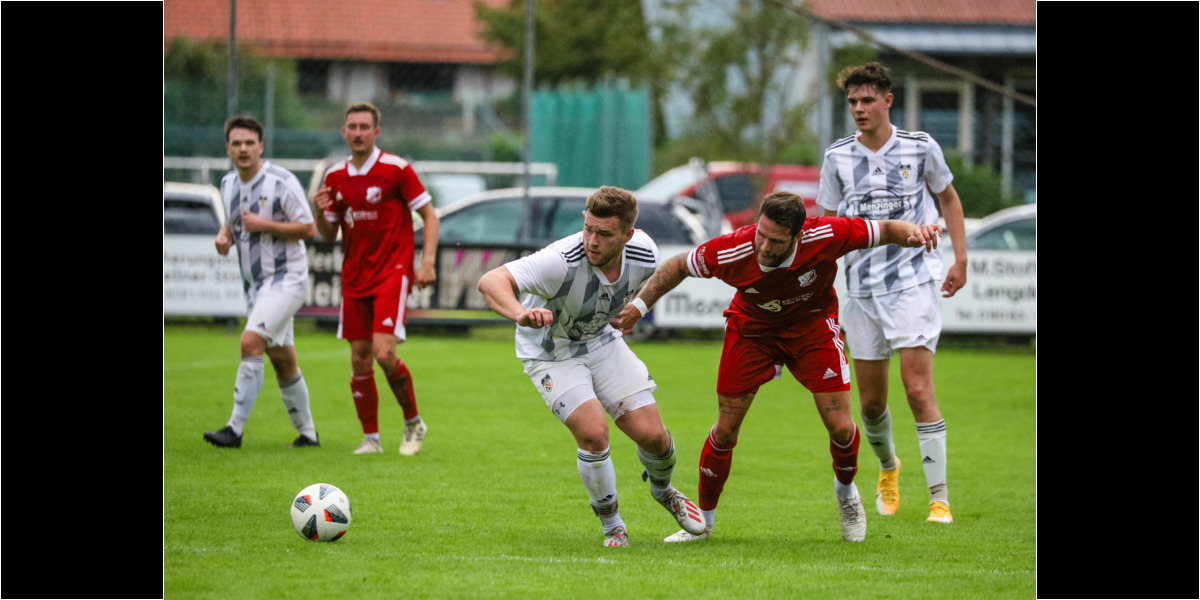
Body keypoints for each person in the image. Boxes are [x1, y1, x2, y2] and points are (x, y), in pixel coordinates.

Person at [611, 191, 942, 543]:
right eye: (761, 234)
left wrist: (914, 232)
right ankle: (702, 525)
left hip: (812, 329)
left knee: (842, 429)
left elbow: (887, 229)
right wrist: (640, 306)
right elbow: (679, 265)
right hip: (752, 332)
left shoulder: (827, 235)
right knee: (725, 431)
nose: (764, 247)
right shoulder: (734, 249)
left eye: (776, 241)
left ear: (799, 236)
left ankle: (846, 493)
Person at [477, 186, 708, 548]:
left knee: (654, 438)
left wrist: (640, 307)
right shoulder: (561, 261)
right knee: (593, 433)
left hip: (602, 342)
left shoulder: (644, 252)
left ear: (628, 235)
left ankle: (663, 490)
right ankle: (613, 526)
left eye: (604, 234)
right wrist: (520, 313)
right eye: (588, 229)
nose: (592, 241)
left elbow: (667, 272)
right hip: (551, 353)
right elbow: (490, 281)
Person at [817, 62, 968, 525]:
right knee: (871, 405)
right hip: (861, 289)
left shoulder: (920, 147)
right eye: (852, 102)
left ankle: (939, 499)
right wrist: (818, 284)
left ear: (888, 100)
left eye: (867, 100)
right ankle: (888, 467)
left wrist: (960, 259)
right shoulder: (837, 157)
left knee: (918, 390)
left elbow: (948, 198)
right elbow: (825, 225)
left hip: (913, 281)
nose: (859, 109)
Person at [313, 101, 440, 456]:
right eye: (352, 127)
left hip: (392, 272)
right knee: (359, 357)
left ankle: (413, 422)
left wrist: (427, 262)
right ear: (344, 132)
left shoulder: (396, 169)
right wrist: (318, 212)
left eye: (364, 127)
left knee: (384, 353)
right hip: (354, 277)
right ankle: (371, 439)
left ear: (376, 132)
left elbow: (430, 216)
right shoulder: (335, 176)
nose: (358, 133)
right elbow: (328, 234)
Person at [204, 115, 320, 449]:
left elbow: (309, 229)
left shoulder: (281, 182)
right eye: (237, 143)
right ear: (228, 148)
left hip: (287, 279)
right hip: (256, 285)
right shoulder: (228, 183)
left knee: (250, 341)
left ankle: (234, 429)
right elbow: (233, 223)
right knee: (282, 359)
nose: (243, 149)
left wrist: (264, 225)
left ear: (261, 146)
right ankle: (308, 435)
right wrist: (225, 236)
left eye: (249, 143)